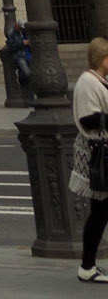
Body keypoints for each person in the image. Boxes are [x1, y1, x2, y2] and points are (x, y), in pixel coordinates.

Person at [69, 34, 108, 281]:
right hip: (99, 155)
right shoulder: (87, 82)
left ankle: (87, 266)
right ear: (103, 58)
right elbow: (87, 119)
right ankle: (87, 266)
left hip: (102, 152)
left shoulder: (99, 80)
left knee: (100, 212)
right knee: (100, 212)